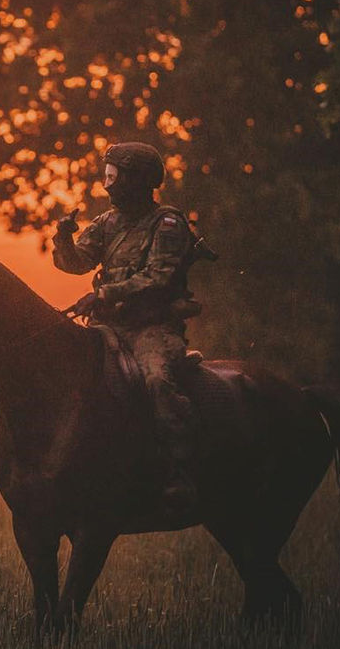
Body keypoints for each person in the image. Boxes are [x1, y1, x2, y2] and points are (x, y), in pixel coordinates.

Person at [51, 142, 202, 515]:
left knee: (157, 382)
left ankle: (181, 472)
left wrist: (104, 294)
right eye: (107, 176)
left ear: (136, 179)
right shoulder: (106, 223)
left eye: (114, 176)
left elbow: (159, 277)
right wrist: (64, 238)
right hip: (108, 328)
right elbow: (76, 264)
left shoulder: (167, 224)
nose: (108, 184)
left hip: (152, 329)